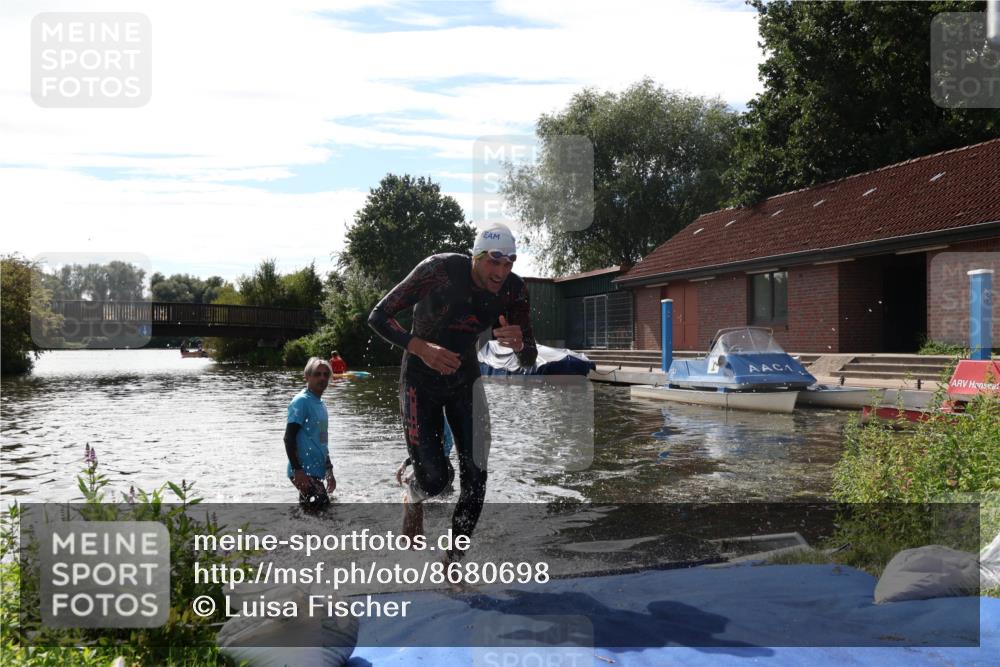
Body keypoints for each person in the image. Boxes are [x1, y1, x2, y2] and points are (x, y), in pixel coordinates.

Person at [368, 222, 536, 559]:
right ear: (475, 257)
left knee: (476, 475)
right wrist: (421, 347)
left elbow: (529, 355)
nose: (500, 272)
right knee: (437, 482)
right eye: (494, 261)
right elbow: (378, 316)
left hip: (464, 380)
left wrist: (521, 346)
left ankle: (452, 560)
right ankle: (414, 490)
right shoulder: (439, 270)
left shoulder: (513, 291)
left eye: (508, 263)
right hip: (419, 379)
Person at [284, 357, 336, 510]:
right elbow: (288, 438)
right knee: (323, 512)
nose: (322, 378)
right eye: (317, 374)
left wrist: (329, 471)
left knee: (310, 516)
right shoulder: (301, 401)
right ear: (307, 376)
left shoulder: (321, 405)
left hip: (316, 471)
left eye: (326, 374)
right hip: (303, 471)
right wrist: (298, 471)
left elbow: (323, 442)